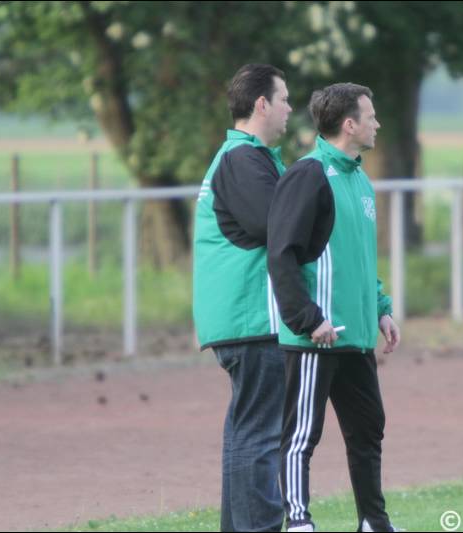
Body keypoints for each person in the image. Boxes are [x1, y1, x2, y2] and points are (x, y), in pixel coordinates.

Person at [267, 83, 401, 532]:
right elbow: (281, 256)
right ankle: (298, 522)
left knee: (368, 430)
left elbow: (360, 258)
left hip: (356, 335)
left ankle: (373, 522)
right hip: (317, 337)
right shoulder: (308, 175)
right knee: (302, 435)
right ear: (349, 124)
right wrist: (308, 319)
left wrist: (381, 308)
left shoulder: (360, 179)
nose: (377, 123)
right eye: (371, 116)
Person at [192, 63, 292, 532]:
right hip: (252, 317)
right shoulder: (243, 159)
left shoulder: (244, 158)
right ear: (262, 104)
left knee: (247, 432)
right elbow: (278, 227)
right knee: (261, 436)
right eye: (285, 99)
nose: (290, 108)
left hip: (238, 316)